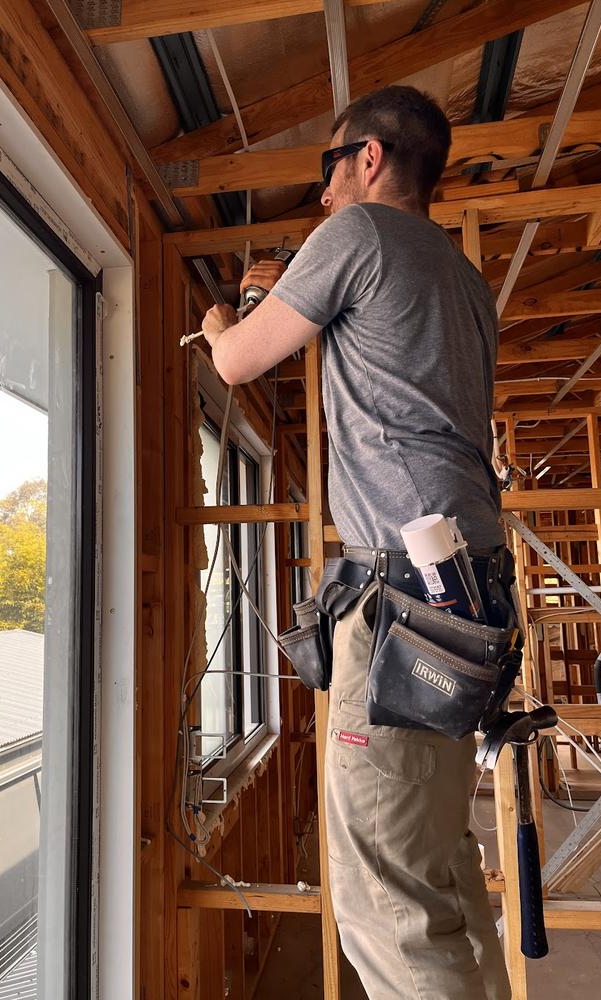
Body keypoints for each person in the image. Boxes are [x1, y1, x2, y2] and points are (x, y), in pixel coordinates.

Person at [202, 84, 514, 1000]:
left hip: (403, 601)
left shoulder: (359, 236)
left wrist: (227, 318)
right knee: (439, 865)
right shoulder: (467, 282)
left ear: (368, 158)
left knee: (385, 900)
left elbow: (235, 361)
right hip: (467, 590)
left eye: (327, 171)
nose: (324, 194)